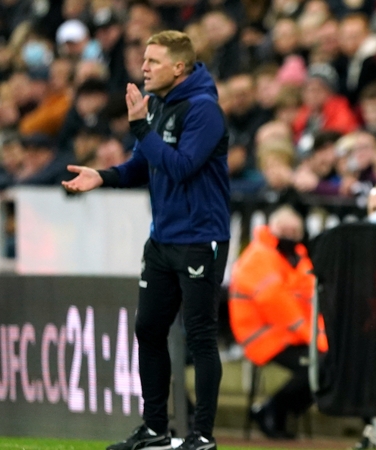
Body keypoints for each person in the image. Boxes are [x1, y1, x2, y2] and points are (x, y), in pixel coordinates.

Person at [61, 30, 230, 450]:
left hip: (199, 238)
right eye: (144, 59)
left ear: (179, 67)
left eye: (153, 61)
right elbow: (144, 165)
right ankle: (156, 429)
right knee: (149, 329)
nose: (144, 67)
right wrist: (103, 176)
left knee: (200, 336)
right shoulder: (157, 105)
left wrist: (140, 128)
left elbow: (182, 166)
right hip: (162, 240)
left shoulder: (204, 110)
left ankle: (203, 436)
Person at [228, 206, 328, 439]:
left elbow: (311, 301)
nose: (288, 235)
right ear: (270, 228)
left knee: (328, 364)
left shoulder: (296, 258)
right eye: (284, 230)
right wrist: (318, 339)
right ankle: (272, 410)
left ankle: (276, 411)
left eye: (294, 231)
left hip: (287, 335)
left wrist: (321, 336)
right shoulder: (260, 256)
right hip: (263, 336)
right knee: (319, 365)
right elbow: (280, 307)